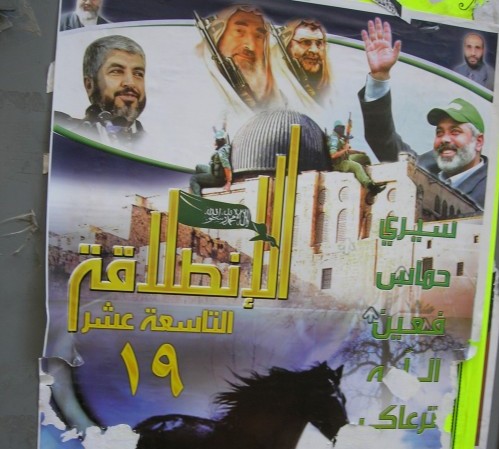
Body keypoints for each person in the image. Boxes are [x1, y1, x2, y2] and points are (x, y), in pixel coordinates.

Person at [358, 18, 488, 208]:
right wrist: (379, 78)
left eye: (455, 131)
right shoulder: (426, 167)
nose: (444, 139)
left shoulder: (490, 188)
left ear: (478, 142)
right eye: (439, 132)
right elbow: (382, 139)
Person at [55, 35, 147, 150]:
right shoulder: (65, 143)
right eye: (116, 71)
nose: (130, 82)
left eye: (138, 74)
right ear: (89, 85)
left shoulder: (157, 147)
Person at [195, 6, 281, 111]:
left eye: (259, 36)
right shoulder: (199, 88)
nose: (251, 46)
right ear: (218, 36)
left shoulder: (277, 99)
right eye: (239, 31)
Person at [273, 19, 332, 105]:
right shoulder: (276, 89)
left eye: (319, 43)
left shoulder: (329, 96)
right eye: (305, 42)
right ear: (287, 45)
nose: (314, 50)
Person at [329, 120, 386, 195]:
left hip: (345, 159)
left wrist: (358, 152)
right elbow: (333, 155)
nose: (343, 130)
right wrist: (345, 149)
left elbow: (346, 149)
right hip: (339, 164)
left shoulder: (339, 138)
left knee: (364, 158)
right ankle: (371, 187)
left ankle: (367, 178)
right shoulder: (334, 139)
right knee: (357, 166)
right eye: (341, 128)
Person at [190, 130, 233, 196]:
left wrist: (228, 182)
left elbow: (227, 167)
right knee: (198, 167)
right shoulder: (225, 147)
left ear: (218, 141)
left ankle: (197, 199)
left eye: (216, 140)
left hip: (217, 179)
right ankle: (198, 187)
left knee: (193, 178)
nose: (214, 141)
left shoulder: (222, 152)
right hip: (213, 171)